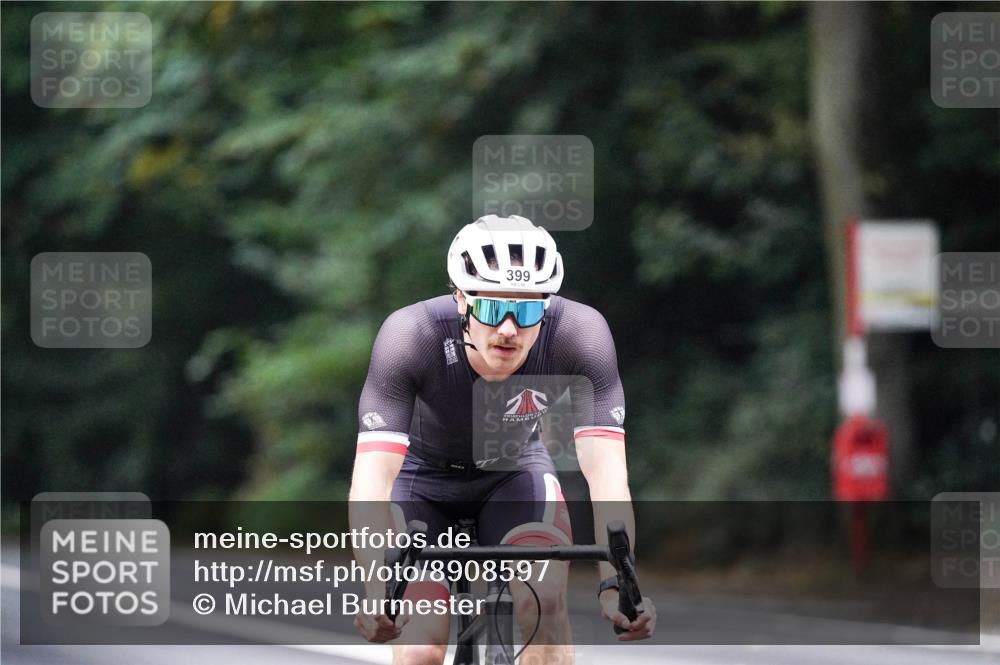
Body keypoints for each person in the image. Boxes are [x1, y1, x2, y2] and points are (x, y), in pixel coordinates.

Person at [349, 214, 655, 665]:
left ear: (547, 308)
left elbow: (607, 475)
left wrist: (617, 585)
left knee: (544, 603)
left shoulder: (580, 336)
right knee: (419, 645)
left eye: (528, 308)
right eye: (493, 307)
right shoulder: (411, 335)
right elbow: (373, 479)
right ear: (460, 300)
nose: (509, 328)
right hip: (421, 483)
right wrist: (378, 589)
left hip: (514, 475)